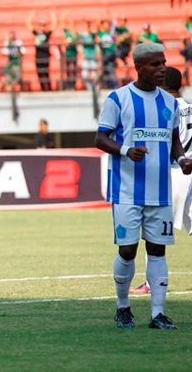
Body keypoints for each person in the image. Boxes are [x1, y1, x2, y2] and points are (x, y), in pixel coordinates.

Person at [95, 42, 191, 330]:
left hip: (160, 191)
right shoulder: (118, 99)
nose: (162, 68)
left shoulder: (170, 102)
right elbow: (100, 139)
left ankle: (158, 314)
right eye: (155, 64)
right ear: (138, 67)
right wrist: (125, 150)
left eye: (163, 63)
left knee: (158, 250)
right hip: (126, 192)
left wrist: (182, 158)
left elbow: (173, 139)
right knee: (127, 251)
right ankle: (123, 307)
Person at [131, 66, 192, 295]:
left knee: (154, 231)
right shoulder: (190, 106)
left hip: (173, 173)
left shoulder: (164, 107)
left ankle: (150, 283)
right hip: (191, 172)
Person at [27, 10, 56, 91]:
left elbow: (54, 25)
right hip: (38, 56)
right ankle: (43, 89)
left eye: (43, 25)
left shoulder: (46, 34)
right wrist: (31, 15)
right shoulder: (37, 34)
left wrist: (52, 15)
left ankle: (49, 89)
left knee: (46, 73)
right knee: (39, 73)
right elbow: (28, 24)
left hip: (45, 56)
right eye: (40, 25)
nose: (41, 26)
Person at [78, 20, 98, 92]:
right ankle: (90, 88)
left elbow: (97, 30)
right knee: (84, 74)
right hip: (86, 57)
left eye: (86, 26)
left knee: (94, 74)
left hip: (93, 56)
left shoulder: (92, 34)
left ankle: (95, 88)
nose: (85, 27)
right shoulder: (82, 35)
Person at [97, 18, 118, 89]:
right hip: (104, 55)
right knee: (105, 71)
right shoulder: (100, 33)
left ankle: (115, 86)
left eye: (107, 25)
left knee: (111, 70)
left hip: (110, 55)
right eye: (105, 25)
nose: (106, 27)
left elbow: (113, 24)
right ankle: (106, 86)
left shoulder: (111, 33)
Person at [60, 14, 78, 90]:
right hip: (68, 53)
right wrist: (65, 14)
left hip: (74, 53)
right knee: (68, 70)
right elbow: (62, 23)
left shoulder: (75, 34)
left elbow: (76, 41)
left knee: (73, 70)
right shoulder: (66, 32)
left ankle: (73, 85)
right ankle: (68, 85)